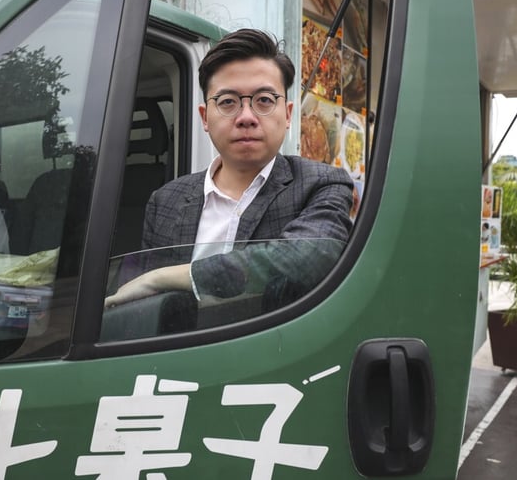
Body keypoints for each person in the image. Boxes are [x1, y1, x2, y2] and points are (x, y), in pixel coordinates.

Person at [105, 28, 354, 308]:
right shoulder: (165, 201)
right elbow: (143, 307)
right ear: (205, 117)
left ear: (287, 114)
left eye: (264, 100)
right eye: (227, 102)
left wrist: (160, 278)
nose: (246, 117)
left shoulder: (321, 184)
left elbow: (307, 258)